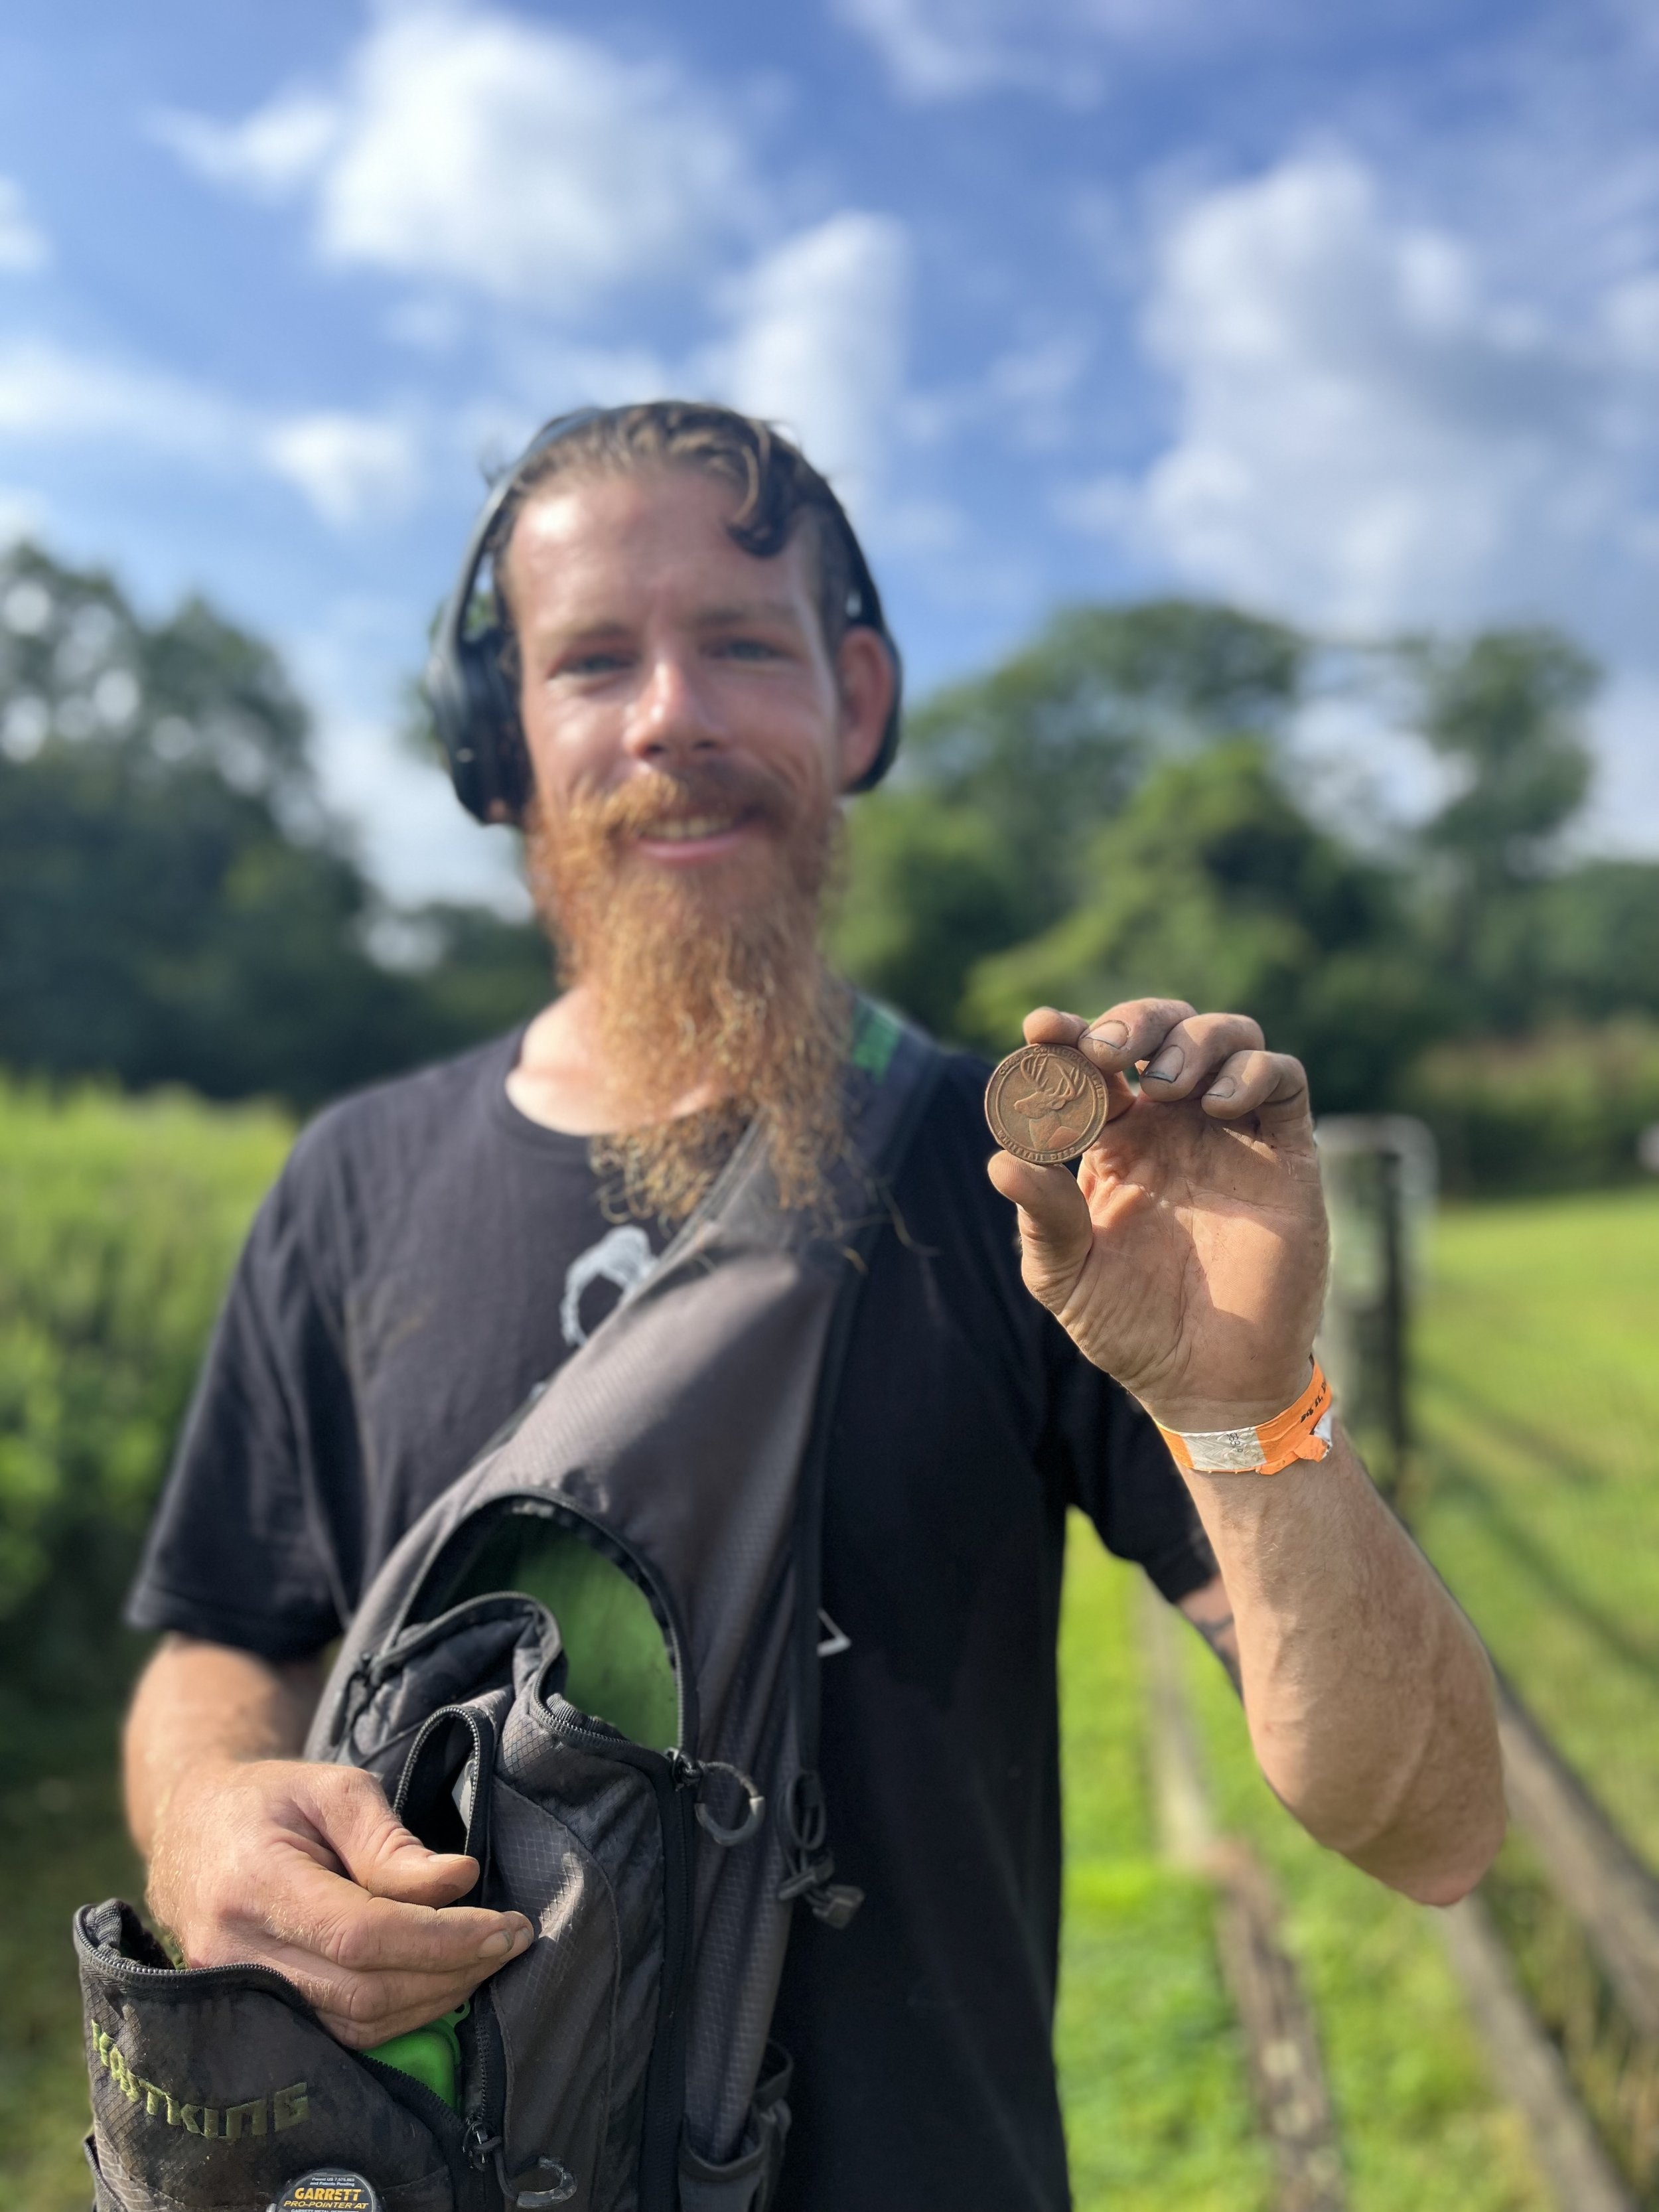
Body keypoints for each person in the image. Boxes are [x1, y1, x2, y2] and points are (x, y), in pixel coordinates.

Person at [121, 402, 1504, 2210]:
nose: (670, 713)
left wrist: (1248, 1407)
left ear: (854, 701)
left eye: (741, 644)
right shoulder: (349, 1186)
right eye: (593, 659)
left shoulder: (1018, 1190)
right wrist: (200, 1810)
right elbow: (227, 1633)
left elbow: (1430, 1823)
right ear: (503, 746)